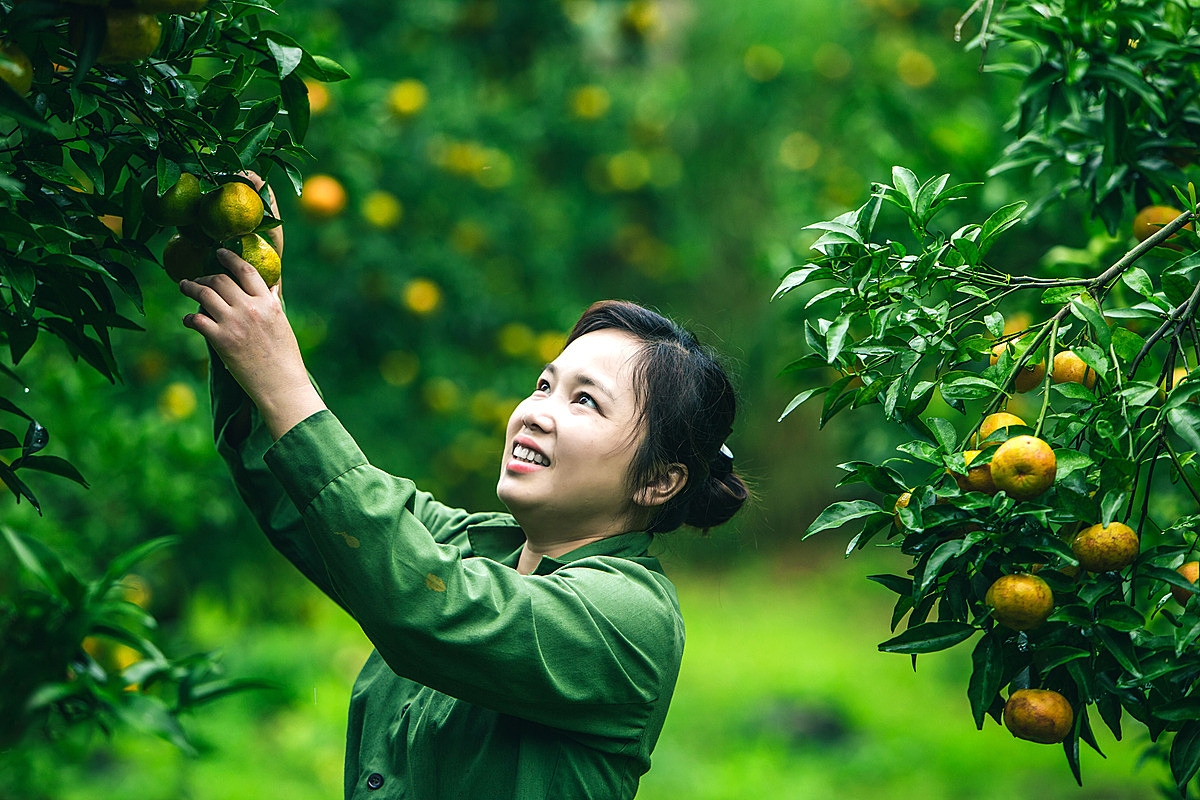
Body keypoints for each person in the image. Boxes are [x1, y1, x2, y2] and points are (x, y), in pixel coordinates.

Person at [178, 212, 749, 799]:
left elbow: (420, 600)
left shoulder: (629, 618)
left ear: (657, 481)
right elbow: (304, 494)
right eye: (545, 385)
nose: (536, 411)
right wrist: (250, 297)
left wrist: (283, 378)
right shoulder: (472, 547)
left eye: (586, 401)